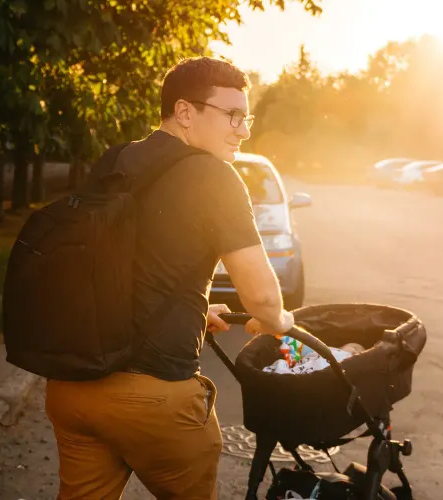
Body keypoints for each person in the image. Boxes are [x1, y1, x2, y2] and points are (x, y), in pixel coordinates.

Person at [44, 56, 296, 500]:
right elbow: (262, 300)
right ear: (185, 112)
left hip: (73, 388)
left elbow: (119, 269)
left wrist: (195, 310)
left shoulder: (115, 161)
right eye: (232, 115)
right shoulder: (215, 177)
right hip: (153, 399)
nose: (244, 129)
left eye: (247, 117)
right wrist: (278, 322)